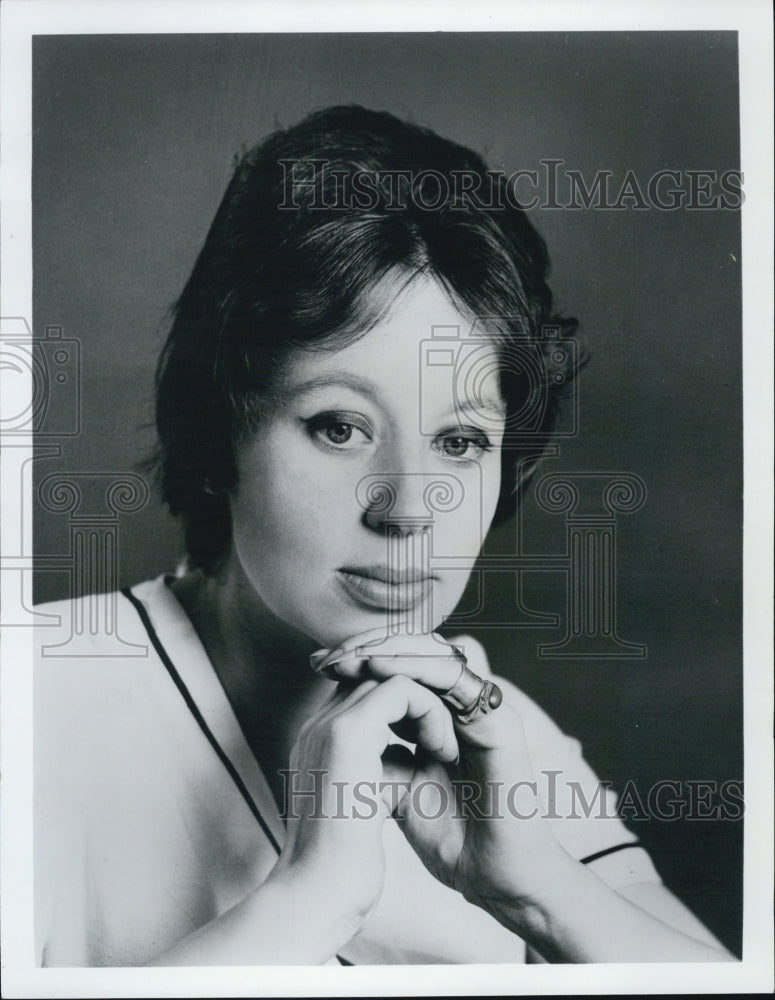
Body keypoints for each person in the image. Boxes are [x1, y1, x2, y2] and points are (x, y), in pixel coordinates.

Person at [34, 105, 732, 966]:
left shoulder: (502, 739)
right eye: (339, 427)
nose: (409, 508)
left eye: (460, 442)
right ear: (220, 432)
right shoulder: (34, 694)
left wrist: (538, 890)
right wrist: (312, 898)